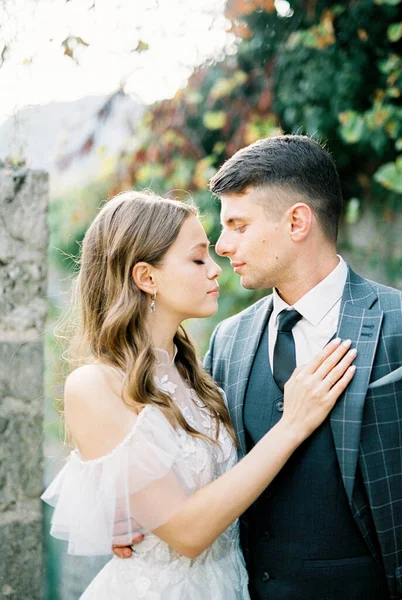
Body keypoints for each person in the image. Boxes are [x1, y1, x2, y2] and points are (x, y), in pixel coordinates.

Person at [42, 190, 356, 600]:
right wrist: (292, 424)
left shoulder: (193, 370)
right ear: (146, 277)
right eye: (197, 259)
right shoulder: (93, 384)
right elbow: (187, 533)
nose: (215, 269)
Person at [203, 135, 401, 600]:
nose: (222, 244)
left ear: (297, 222)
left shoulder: (397, 323)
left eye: (238, 225)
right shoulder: (228, 340)